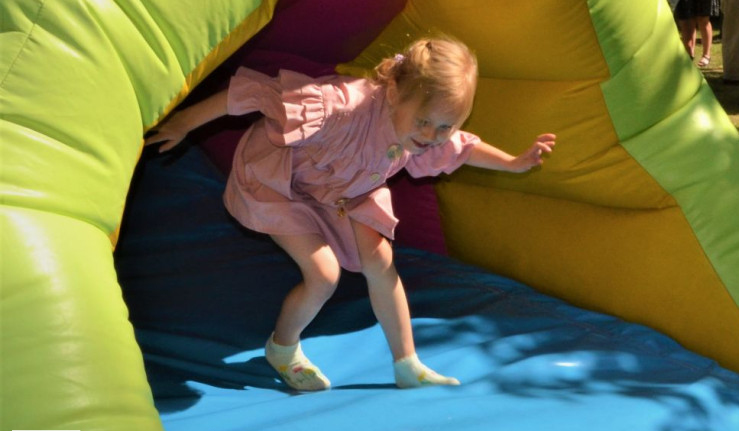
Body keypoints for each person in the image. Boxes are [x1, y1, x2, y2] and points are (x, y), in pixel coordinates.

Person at [146, 37, 557, 390]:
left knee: (381, 261)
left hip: (348, 186)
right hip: (282, 176)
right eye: (425, 122)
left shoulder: (424, 134)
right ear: (394, 92)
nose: (432, 136)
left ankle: (406, 364)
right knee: (324, 274)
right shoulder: (339, 107)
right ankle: (282, 348)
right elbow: (255, 93)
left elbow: (462, 148)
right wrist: (185, 122)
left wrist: (514, 162)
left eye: (444, 126)